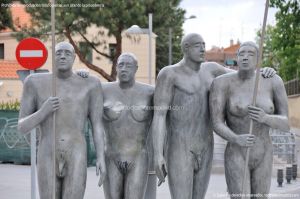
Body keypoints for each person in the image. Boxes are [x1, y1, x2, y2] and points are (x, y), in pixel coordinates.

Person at [152, 33, 276, 199]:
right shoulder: (169, 74)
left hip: (206, 145)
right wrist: (158, 153)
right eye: (197, 45)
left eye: (204, 44)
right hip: (179, 146)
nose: (203, 48)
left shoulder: (212, 70)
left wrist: (265, 72)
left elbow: (243, 76)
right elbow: (159, 115)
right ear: (186, 48)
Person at [18, 42, 106, 199]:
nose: (63, 56)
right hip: (47, 152)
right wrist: (43, 112)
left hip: (76, 153)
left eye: (67, 53)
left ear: (74, 58)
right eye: (58, 53)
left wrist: (101, 157)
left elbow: (97, 125)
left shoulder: (90, 84)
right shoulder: (34, 82)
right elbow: (22, 126)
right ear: (53, 57)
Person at [210, 41, 289, 198]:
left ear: (258, 59)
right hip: (236, 151)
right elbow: (216, 122)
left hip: (264, 152)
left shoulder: (273, 81)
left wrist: (265, 118)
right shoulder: (222, 83)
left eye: (251, 54)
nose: (245, 57)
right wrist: (236, 138)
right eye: (242, 54)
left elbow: (286, 123)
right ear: (237, 58)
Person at [102, 53, 155, 199]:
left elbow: (163, 122)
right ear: (116, 67)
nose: (124, 69)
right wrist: (82, 75)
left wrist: (161, 156)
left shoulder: (150, 92)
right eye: (120, 65)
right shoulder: (102, 90)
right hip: (111, 156)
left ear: (136, 68)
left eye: (128, 65)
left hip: (138, 157)